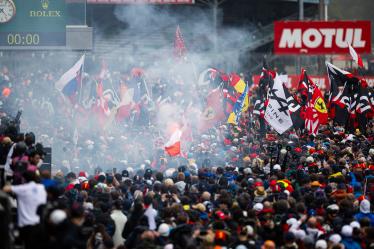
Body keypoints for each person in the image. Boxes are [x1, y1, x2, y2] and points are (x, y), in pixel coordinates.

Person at [3, 169, 47, 249]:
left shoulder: (22, 188)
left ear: (24, 179)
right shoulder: (42, 188)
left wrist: (9, 181)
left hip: (25, 225)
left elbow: (5, 189)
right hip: (39, 224)